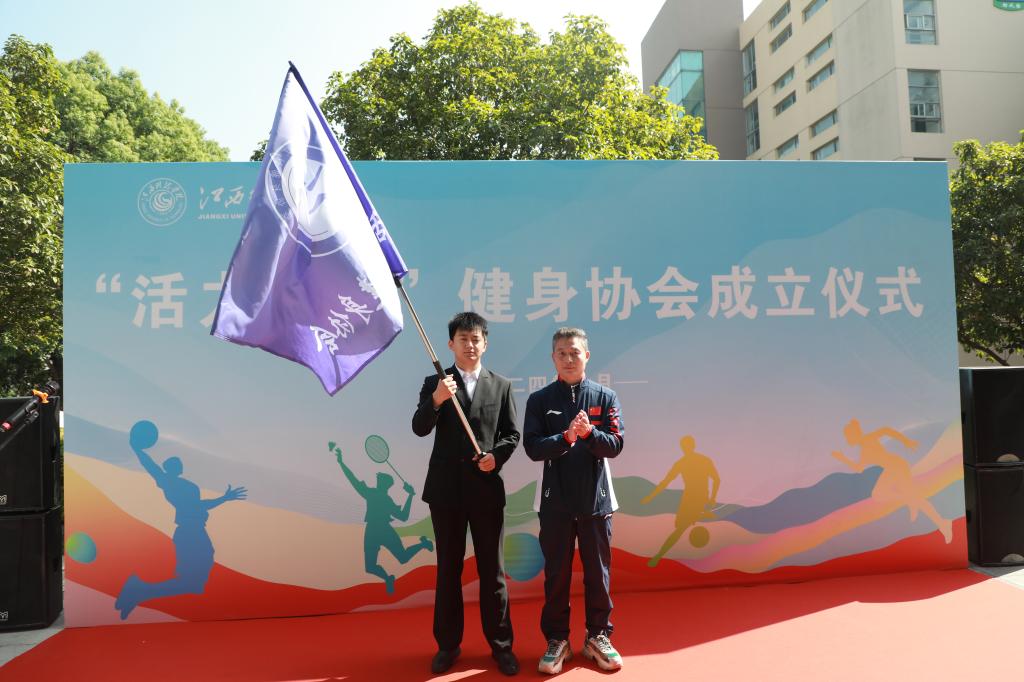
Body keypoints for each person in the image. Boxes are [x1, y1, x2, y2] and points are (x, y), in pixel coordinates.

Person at [411, 312, 521, 676]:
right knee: (448, 570)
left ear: (485, 343)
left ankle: (501, 646)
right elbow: (419, 427)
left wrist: (496, 457)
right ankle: (447, 645)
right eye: (463, 339)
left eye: (476, 339)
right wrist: (437, 400)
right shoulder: (436, 382)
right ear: (451, 344)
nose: (470, 345)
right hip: (446, 493)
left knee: (493, 572)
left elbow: (511, 434)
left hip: (486, 491)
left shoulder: (501, 385)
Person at [523, 327, 624, 674]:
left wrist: (589, 433)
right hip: (555, 503)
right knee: (557, 575)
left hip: (596, 502)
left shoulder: (605, 397)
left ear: (587, 356)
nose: (569, 359)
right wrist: (566, 437)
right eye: (562, 353)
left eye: (575, 353)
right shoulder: (540, 400)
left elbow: (615, 445)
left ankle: (598, 636)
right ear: (553, 358)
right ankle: (557, 640)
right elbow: (532, 448)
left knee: (598, 574)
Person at [115, 420, 247, 620]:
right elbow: (150, 465)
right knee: (192, 583)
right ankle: (137, 590)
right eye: (175, 463)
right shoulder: (168, 482)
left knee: (195, 583)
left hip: (194, 530)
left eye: (179, 462)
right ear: (170, 468)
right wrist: (137, 449)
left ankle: (138, 591)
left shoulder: (189, 486)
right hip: (189, 532)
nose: (179, 464)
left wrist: (224, 498)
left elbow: (199, 505)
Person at [332, 444, 434, 593]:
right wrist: (341, 463)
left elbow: (404, 517)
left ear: (385, 484)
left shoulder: (385, 500)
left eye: (379, 479)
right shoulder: (371, 493)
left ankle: (423, 544)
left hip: (385, 530)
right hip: (372, 530)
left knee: (403, 558)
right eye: (378, 478)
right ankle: (388, 578)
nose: (377, 479)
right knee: (370, 567)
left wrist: (410, 496)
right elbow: (353, 479)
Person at [641, 435, 721, 567]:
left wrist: (713, 498)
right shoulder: (681, 463)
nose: (686, 448)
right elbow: (666, 481)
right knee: (679, 525)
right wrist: (651, 496)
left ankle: (658, 556)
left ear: (692, 446)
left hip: (700, 497)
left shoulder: (703, 460)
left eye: (687, 446)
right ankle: (700, 514)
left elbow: (716, 479)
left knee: (680, 529)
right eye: (684, 446)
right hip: (688, 497)